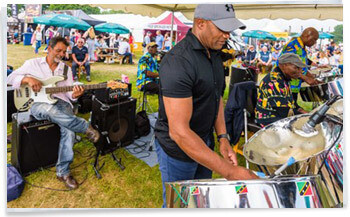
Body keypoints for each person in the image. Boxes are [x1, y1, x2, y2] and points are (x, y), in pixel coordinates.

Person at [154, 4, 258, 208]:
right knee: (180, 205)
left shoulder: (215, 55)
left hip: (205, 142)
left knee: (200, 201)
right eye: (222, 29)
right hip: (178, 150)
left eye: (229, 29)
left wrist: (223, 137)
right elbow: (180, 132)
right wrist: (229, 172)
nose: (227, 35)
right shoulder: (178, 62)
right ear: (200, 23)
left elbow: (215, 98)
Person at [7, 36, 100, 189]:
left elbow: (70, 94)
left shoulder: (66, 69)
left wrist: (75, 95)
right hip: (37, 103)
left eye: (64, 52)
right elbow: (10, 78)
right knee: (50, 110)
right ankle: (84, 127)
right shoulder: (32, 64)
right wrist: (27, 79)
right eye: (58, 50)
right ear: (49, 49)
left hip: (61, 102)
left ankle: (63, 172)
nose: (61, 54)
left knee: (69, 131)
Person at [255, 53, 308, 127]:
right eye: (296, 68)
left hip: (279, 115)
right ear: (283, 65)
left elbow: (290, 102)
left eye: (300, 69)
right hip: (269, 120)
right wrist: (307, 117)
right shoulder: (274, 81)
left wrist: (301, 110)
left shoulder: (283, 77)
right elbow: (284, 112)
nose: (300, 72)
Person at [277, 27, 321, 97]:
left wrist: (313, 78)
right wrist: (305, 78)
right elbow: (287, 67)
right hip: (284, 85)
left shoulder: (302, 47)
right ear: (307, 36)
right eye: (314, 39)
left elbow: (301, 66)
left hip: (294, 85)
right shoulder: (293, 45)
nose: (315, 42)